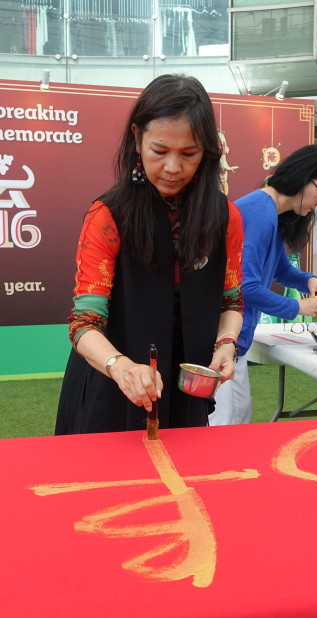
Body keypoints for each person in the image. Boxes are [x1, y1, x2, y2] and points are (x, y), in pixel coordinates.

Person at [55, 74, 245, 435]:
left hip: (187, 390)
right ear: (137, 139)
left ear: (207, 151)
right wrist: (121, 366)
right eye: (160, 151)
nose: (173, 168)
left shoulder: (225, 217)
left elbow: (231, 301)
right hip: (111, 384)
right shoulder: (109, 216)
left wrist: (226, 344)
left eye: (189, 154)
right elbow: (83, 326)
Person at [210, 144, 317, 426]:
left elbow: (280, 270)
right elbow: (247, 287)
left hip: (234, 342)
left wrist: (308, 279)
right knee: (221, 431)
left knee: (237, 425)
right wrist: (297, 306)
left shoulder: (269, 212)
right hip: (221, 340)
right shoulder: (258, 212)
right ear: (305, 178)